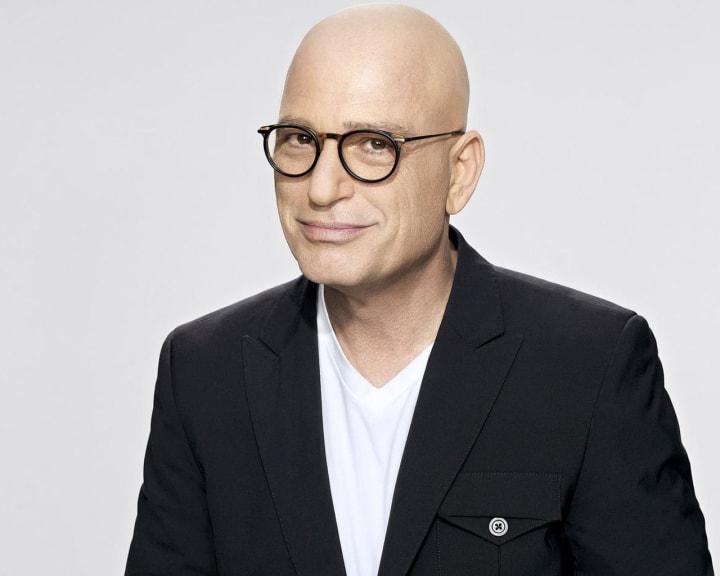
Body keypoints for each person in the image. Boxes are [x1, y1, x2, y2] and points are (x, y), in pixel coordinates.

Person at [125, 4, 713, 575]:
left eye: (374, 144)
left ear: (459, 172)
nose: (321, 188)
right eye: (299, 138)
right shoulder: (205, 372)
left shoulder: (588, 365)